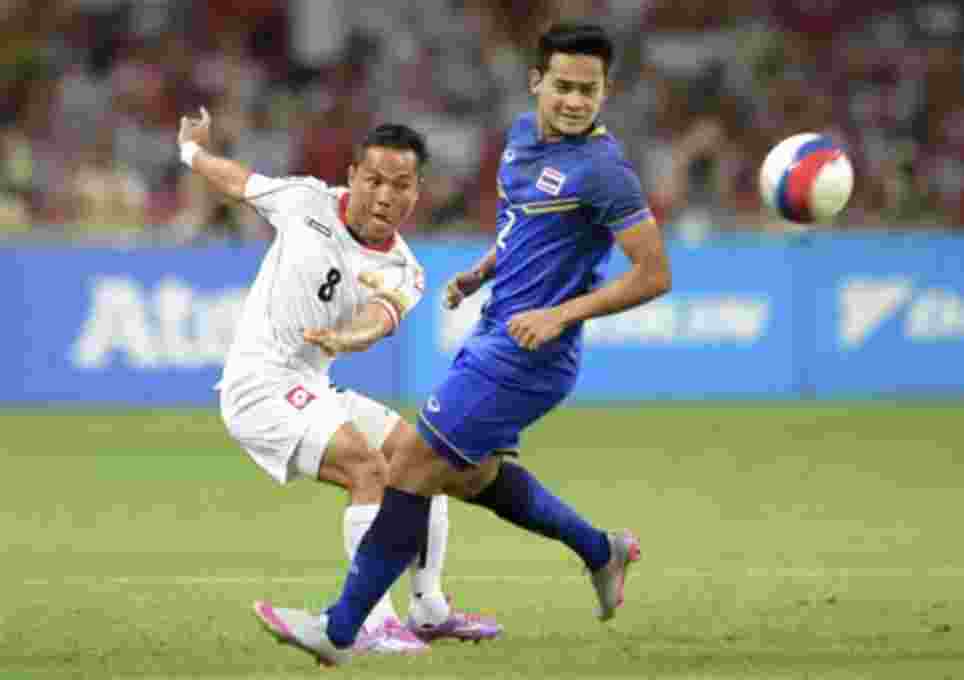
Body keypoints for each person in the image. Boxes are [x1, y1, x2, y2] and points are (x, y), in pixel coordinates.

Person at [257, 22, 673, 666]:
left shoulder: (604, 171)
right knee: (473, 475)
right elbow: (521, 229)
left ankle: (338, 631)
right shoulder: (519, 140)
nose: (573, 101)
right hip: (496, 331)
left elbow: (654, 274)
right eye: (562, 86)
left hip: (531, 354)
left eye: (588, 91)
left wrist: (562, 314)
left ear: (605, 93)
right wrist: (485, 269)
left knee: (409, 469)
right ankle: (601, 550)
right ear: (537, 82)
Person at [175, 108, 502, 656]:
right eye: (373, 180)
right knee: (366, 467)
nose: (384, 197)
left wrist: (350, 338)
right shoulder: (306, 200)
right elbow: (238, 182)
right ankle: (373, 621)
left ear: (416, 193)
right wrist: (191, 151)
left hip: (311, 380)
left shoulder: (404, 269)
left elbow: (379, 315)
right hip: (259, 386)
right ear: (351, 176)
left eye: (400, 185)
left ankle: (428, 609)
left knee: (424, 457)